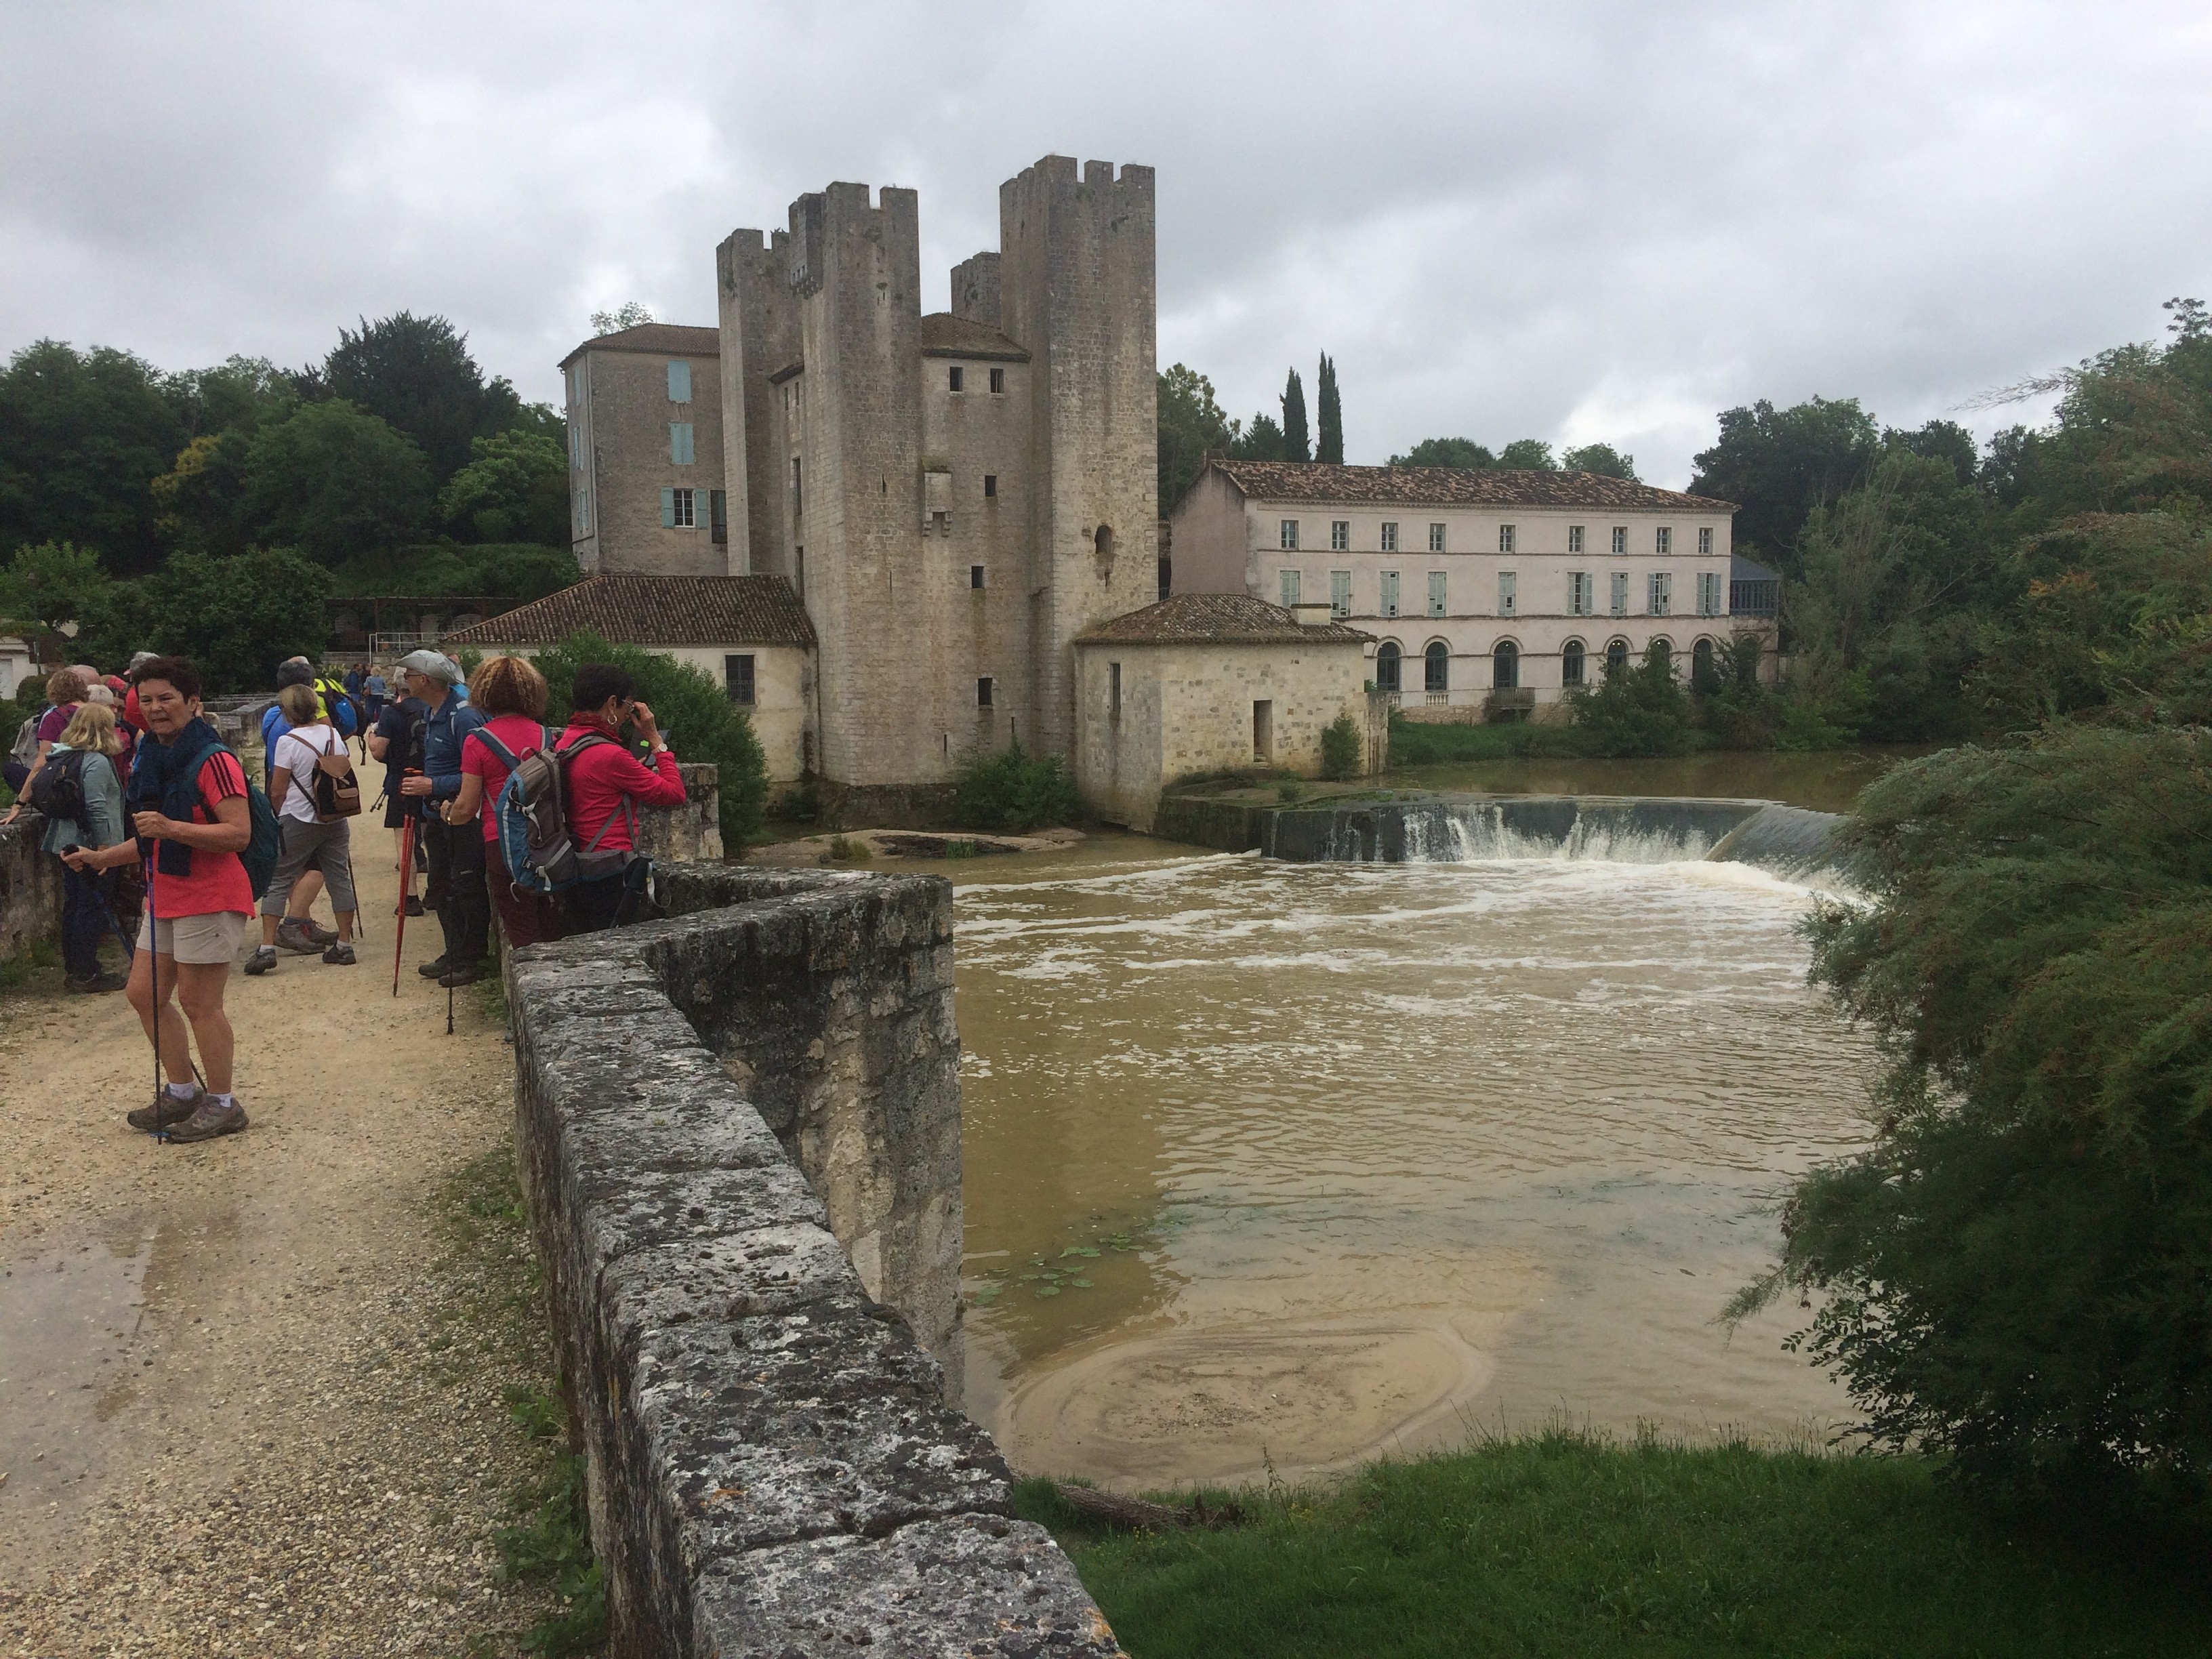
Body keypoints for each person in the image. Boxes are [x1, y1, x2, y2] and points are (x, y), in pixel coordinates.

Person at [62, 656, 253, 1142]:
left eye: (166, 698)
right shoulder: (151, 754)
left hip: (209, 895)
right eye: (146, 700)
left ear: (193, 702)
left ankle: (224, 1103)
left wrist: (169, 827)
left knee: (199, 1002)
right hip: (165, 892)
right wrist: (101, 858)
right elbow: (153, 840)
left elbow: (238, 834)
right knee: (143, 994)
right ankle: (183, 1090)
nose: (155, 708)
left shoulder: (214, 759)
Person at [554, 663, 685, 933]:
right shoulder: (611, 756)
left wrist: (630, 770)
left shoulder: (565, 741)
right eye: (627, 705)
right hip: (613, 871)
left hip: (578, 862)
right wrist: (655, 740)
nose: (628, 714)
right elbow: (674, 793)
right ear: (611, 703)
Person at [448, 655, 565, 948]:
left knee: (521, 929)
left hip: (501, 843)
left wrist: (448, 815)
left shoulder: (478, 741)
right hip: (547, 842)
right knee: (552, 926)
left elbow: (467, 807)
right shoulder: (546, 736)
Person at [245, 682, 359, 975]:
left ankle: (267, 946)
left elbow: (277, 789)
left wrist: (277, 815)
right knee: (339, 878)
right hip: (334, 817)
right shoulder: (334, 735)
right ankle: (344, 944)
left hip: (299, 816)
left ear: (288, 712)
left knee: (279, 877)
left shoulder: (289, 741)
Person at [394, 648, 490, 985]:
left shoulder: (462, 717)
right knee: (441, 886)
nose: (404, 681)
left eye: (409, 675)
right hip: (438, 815)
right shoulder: (436, 713)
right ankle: (455, 951)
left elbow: (477, 773)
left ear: (425, 680)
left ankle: (470, 956)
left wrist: (430, 784)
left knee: (465, 886)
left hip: (460, 816)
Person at [37, 701, 129, 993]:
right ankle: (86, 973)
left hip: (64, 841)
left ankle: (76, 968)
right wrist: (104, 852)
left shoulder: (64, 757)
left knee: (75, 906)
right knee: (90, 909)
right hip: (89, 846)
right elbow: (97, 806)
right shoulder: (97, 761)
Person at [368, 667, 428, 918]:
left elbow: (379, 752)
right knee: (432, 840)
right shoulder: (432, 710)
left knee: (405, 843)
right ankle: (436, 891)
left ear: (396, 687)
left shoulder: (391, 714)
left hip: (401, 783)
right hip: (430, 781)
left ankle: (410, 897)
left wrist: (372, 735)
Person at [3, 667, 88, 803]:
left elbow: (42, 761)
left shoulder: (54, 717)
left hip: (67, 782)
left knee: (9, 769)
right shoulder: (97, 712)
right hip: (94, 774)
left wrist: (20, 802)